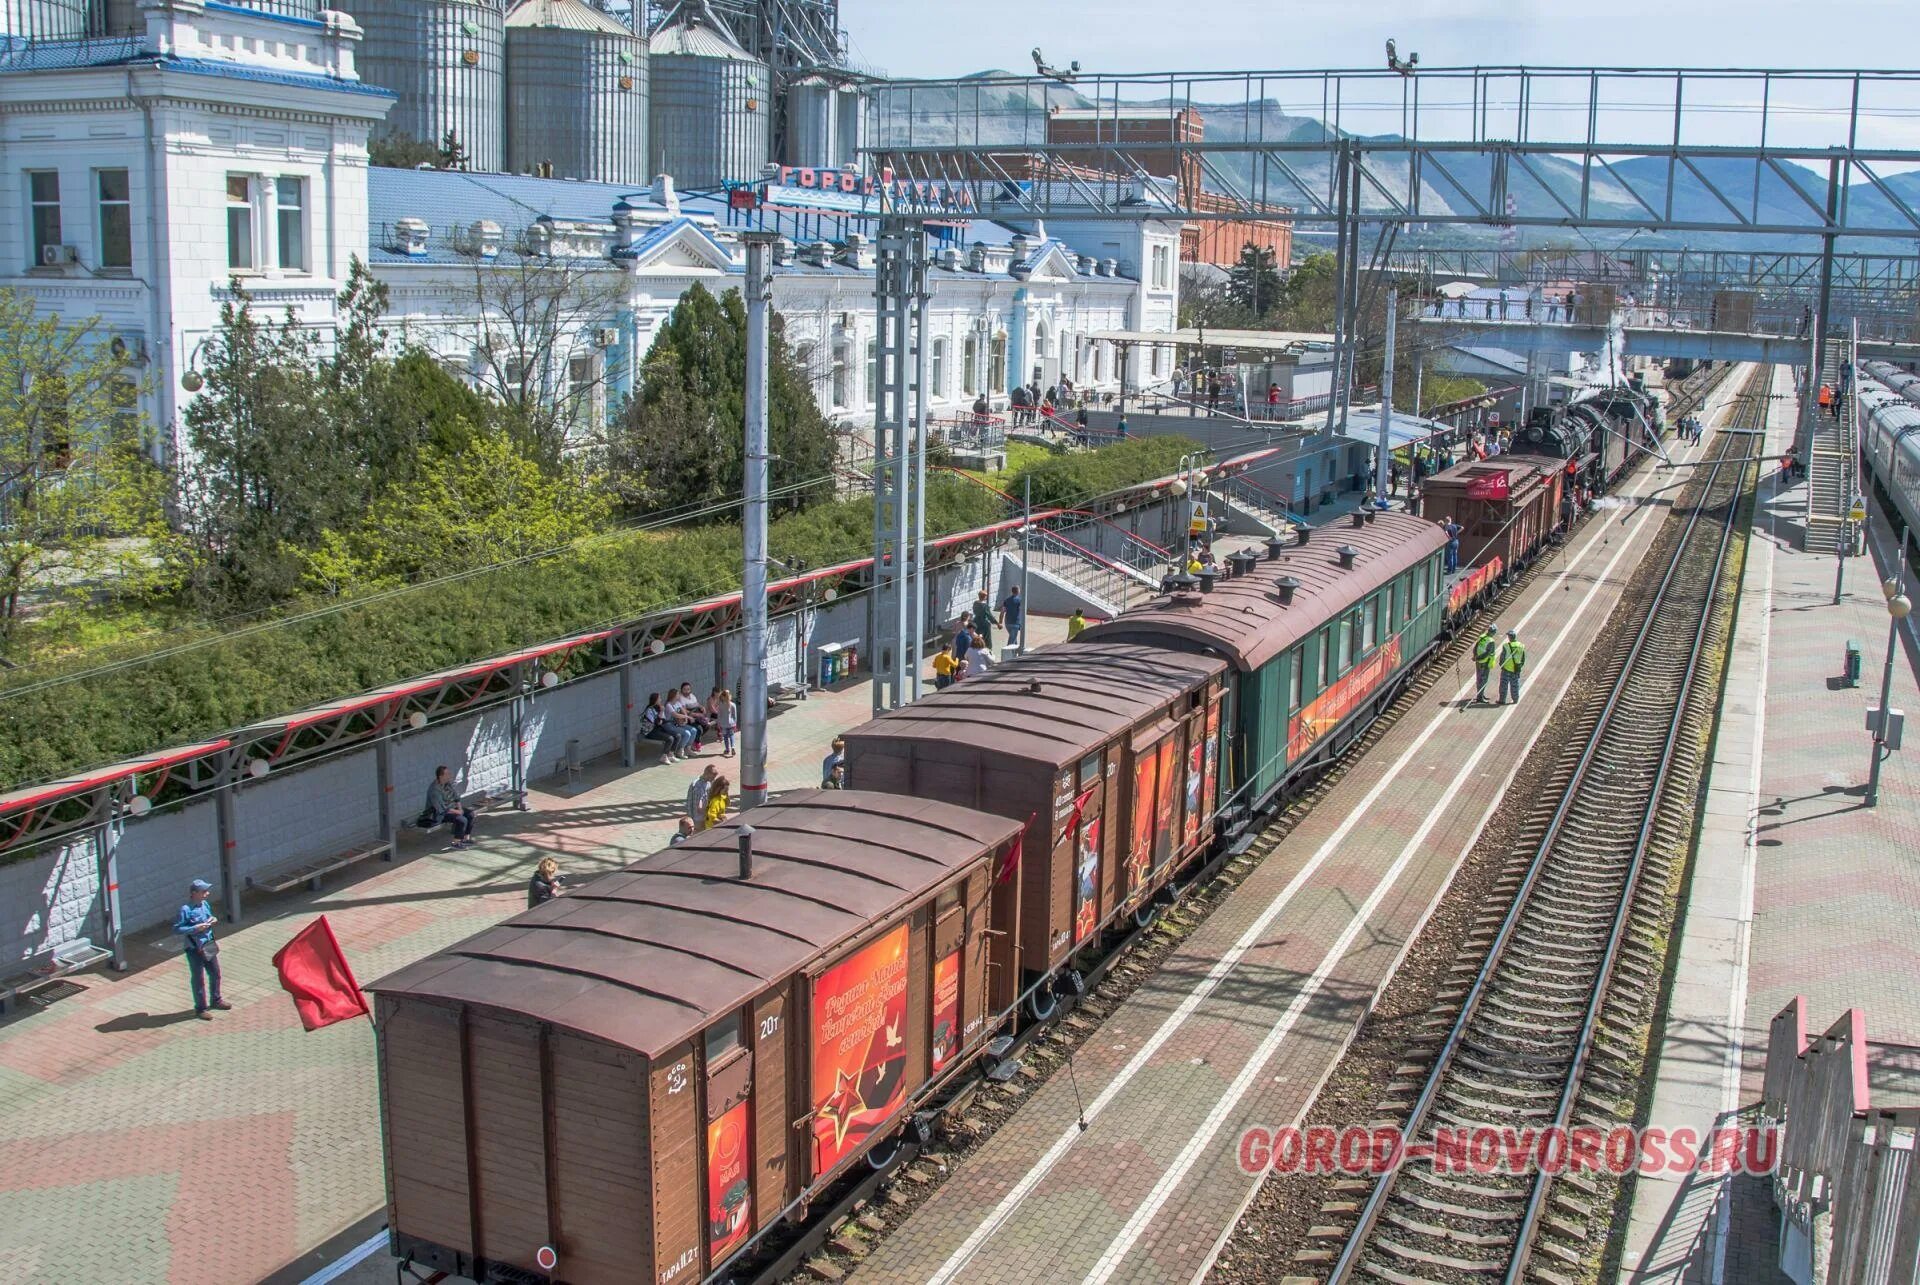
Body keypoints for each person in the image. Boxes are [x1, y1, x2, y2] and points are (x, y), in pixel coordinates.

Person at [174, 878, 227, 1020]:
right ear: (194, 893)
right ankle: (200, 1008)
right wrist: (195, 928)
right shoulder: (185, 909)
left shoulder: (205, 905)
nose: (207, 893)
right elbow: (177, 929)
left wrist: (212, 919)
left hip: (208, 945)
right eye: (204, 891)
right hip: (194, 948)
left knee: (215, 973)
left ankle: (216, 999)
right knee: (198, 978)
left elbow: (209, 917)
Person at [422, 765, 474, 847]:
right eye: (447, 774)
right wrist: (458, 812)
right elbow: (442, 808)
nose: (450, 775)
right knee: (462, 820)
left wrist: (460, 809)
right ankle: (456, 843)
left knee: (470, 814)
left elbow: (456, 797)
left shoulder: (447, 784)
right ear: (441, 776)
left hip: (451, 808)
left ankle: (465, 838)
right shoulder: (434, 790)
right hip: (438, 813)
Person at [641, 692, 687, 761]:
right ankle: (664, 756)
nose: (661, 700)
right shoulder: (649, 710)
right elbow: (657, 722)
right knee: (670, 738)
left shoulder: (659, 708)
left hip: (659, 728)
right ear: (655, 700)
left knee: (677, 735)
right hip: (650, 731)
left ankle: (671, 754)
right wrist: (661, 712)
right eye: (659, 698)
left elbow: (663, 720)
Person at [1497, 628, 1526, 705]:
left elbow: (1502, 657)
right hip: (1516, 669)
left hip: (1506, 668)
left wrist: (1501, 665)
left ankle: (1502, 700)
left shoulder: (1506, 646)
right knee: (1515, 685)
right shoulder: (1521, 646)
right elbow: (1523, 659)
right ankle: (1515, 699)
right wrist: (1519, 666)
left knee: (1503, 685)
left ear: (1509, 637)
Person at [1472, 626, 1498, 703]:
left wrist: (1475, 657)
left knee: (1479, 678)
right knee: (1483, 680)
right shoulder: (1491, 641)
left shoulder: (1482, 637)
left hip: (1478, 662)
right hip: (1485, 662)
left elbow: (1475, 648)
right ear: (1493, 632)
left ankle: (1480, 694)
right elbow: (1488, 653)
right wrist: (1479, 658)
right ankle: (1480, 697)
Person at [711, 688, 738, 759]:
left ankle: (727, 749)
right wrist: (735, 723)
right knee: (731, 735)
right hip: (731, 723)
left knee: (725, 737)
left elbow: (719, 716)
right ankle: (733, 747)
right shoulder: (733, 705)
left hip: (723, 724)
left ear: (722, 697)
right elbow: (735, 716)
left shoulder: (720, 705)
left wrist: (719, 724)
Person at [999, 584, 1024, 649]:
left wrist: (1000, 622)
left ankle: (1017, 653)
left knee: (1013, 638)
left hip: (1007, 623)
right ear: (1018, 591)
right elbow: (1022, 612)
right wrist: (1021, 623)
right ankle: (1007, 654)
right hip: (1015, 623)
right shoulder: (1020, 601)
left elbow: (1002, 612)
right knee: (1011, 641)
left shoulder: (1006, 600)